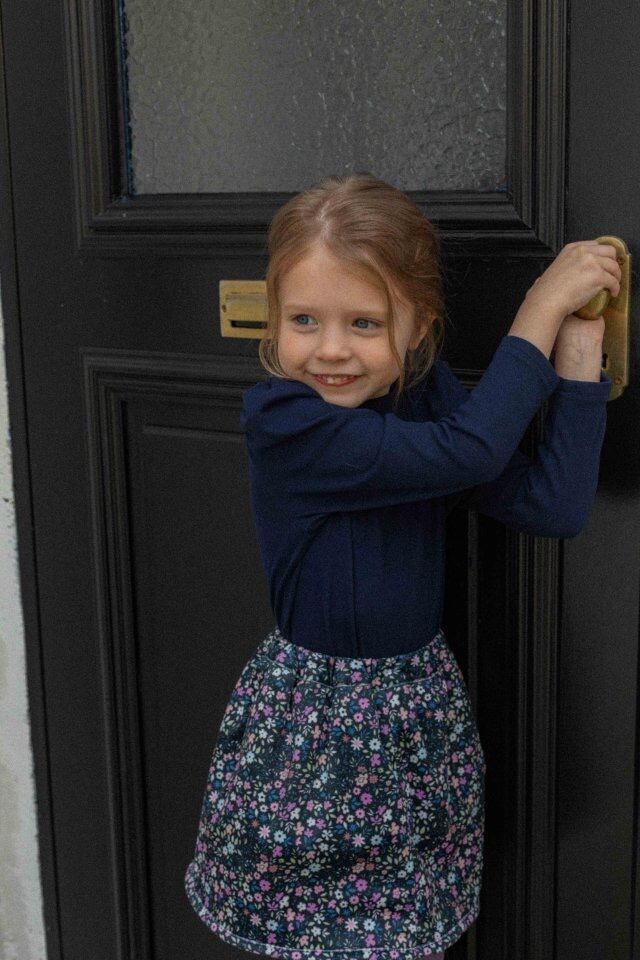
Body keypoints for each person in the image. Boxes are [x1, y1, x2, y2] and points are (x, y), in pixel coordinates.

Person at [184, 174, 617, 958]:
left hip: (414, 723)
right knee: (317, 939)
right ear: (274, 320)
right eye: (303, 319)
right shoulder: (286, 421)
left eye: (365, 322)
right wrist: (540, 307)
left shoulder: (423, 398)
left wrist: (578, 355)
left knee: (406, 935)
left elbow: (552, 507)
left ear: (419, 328)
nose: (330, 349)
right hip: (315, 737)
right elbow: (471, 450)